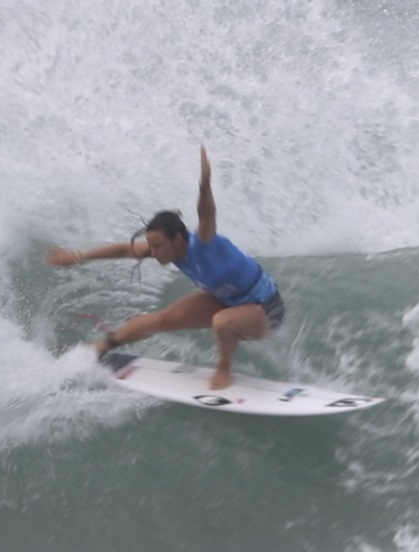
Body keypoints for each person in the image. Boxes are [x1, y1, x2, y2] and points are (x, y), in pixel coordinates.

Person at [45, 146, 283, 390]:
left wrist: (205, 184)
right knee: (158, 320)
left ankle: (223, 368)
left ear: (178, 239)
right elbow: (123, 250)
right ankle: (100, 347)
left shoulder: (204, 244)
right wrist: (76, 256)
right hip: (227, 300)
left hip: (265, 309)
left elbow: (206, 215)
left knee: (222, 322)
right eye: (151, 245)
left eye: (157, 245)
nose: (152, 251)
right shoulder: (169, 250)